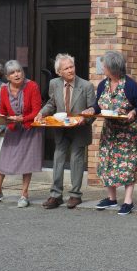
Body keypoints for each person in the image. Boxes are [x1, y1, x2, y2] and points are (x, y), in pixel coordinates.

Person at [82, 51, 137, 215]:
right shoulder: (104, 84)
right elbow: (98, 105)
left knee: (128, 164)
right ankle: (111, 199)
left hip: (130, 131)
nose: (102, 68)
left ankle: (128, 201)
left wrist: (133, 112)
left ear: (112, 68)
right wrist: (91, 109)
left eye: (104, 66)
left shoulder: (130, 85)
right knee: (107, 161)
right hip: (110, 130)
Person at [34, 53, 95, 210]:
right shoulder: (54, 83)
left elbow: (93, 110)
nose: (70, 70)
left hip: (80, 128)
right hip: (61, 128)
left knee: (76, 159)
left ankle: (75, 195)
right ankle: (55, 195)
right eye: (66, 68)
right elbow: (51, 103)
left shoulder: (86, 86)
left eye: (72, 66)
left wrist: (85, 118)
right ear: (59, 72)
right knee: (58, 158)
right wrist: (42, 113)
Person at [0, 60, 43, 208]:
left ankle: (24, 194)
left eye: (19, 71)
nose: (17, 74)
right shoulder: (4, 90)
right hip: (13, 128)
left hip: (29, 128)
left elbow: (36, 110)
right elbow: (3, 110)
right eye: (12, 73)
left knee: (27, 163)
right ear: (7, 77)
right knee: (3, 162)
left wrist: (22, 118)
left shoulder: (32, 86)